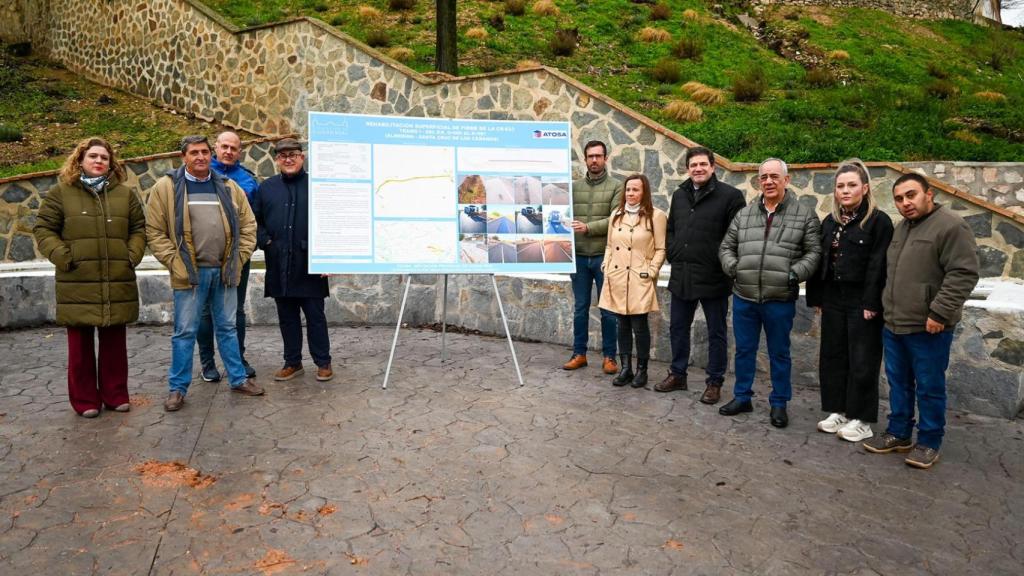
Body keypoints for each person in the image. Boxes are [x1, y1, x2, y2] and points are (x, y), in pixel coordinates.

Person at [863, 173, 979, 469]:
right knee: (898, 383)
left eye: (911, 195)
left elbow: (963, 273)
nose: (905, 203)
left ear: (929, 193)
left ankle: (929, 441)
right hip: (895, 323)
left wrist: (939, 312)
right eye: (899, 198)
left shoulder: (951, 225)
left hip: (929, 327)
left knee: (929, 387)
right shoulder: (902, 228)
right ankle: (899, 433)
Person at [146, 135, 263, 412]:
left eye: (204, 152)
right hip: (189, 274)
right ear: (183, 157)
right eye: (194, 153)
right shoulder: (167, 187)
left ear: (211, 155)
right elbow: (155, 231)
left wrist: (239, 257)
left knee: (227, 328)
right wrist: (176, 262)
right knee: (184, 331)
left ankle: (238, 378)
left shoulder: (228, 186)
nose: (200, 157)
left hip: (224, 272)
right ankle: (177, 388)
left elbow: (249, 226)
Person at [33, 137, 146, 417]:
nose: (99, 161)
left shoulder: (124, 195)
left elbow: (139, 230)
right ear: (80, 160)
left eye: (104, 158)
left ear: (111, 164)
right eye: (93, 156)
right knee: (80, 348)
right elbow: (44, 229)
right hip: (77, 280)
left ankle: (115, 395)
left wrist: (130, 257)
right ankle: (85, 401)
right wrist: (64, 257)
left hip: (115, 280)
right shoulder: (61, 193)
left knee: (114, 344)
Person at [718, 158, 821, 428]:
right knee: (744, 351)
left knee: (779, 353)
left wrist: (793, 274)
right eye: (764, 177)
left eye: (774, 176)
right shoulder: (745, 214)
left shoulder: (804, 214)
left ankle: (779, 403)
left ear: (786, 180)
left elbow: (814, 253)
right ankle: (742, 396)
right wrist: (734, 268)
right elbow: (726, 247)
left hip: (779, 299)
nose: (768, 181)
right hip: (744, 296)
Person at [806, 160, 893, 442]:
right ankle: (837, 409)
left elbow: (878, 265)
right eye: (840, 186)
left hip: (862, 302)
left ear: (865, 188)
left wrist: (871, 303)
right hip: (833, 298)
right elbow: (822, 261)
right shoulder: (830, 221)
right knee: (832, 356)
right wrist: (818, 297)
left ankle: (862, 418)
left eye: (852, 185)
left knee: (862, 359)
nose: (845, 190)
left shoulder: (878, 222)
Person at [657, 146, 745, 404]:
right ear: (688, 168)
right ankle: (678, 374)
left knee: (716, 332)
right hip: (682, 273)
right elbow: (672, 227)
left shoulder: (731, 196)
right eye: (693, 165)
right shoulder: (680, 195)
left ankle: (714, 382)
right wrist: (673, 252)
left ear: (713, 166)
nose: (698, 169)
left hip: (714, 276)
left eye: (703, 164)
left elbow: (736, 236)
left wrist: (720, 262)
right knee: (677, 328)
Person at [252, 138, 334, 382]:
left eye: (293, 155)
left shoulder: (318, 186)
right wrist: (266, 241)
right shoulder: (266, 188)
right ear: (276, 160)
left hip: (310, 263)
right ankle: (293, 362)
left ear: (302, 157)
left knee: (315, 316)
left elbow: (331, 222)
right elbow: (254, 221)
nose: (288, 159)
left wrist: (329, 257)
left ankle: (323, 361)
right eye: (282, 155)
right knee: (287, 317)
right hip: (278, 264)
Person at [197, 131, 260, 382]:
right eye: (224, 146)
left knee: (236, 310)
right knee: (204, 311)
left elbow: (253, 220)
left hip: (236, 257)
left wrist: (247, 250)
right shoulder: (199, 173)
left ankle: (238, 358)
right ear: (215, 147)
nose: (228, 151)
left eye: (234, 148)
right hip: (204, 255)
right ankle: (207, 362)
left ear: (240, 151)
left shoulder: (248, 180)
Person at [598, 174, 667, 388]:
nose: (631, 194)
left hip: (640, 277)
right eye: (628, 190)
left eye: (636, 190)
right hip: (617, 276)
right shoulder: (616, 215)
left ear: (644, 192)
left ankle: (641, 370)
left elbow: (661, 248)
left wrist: (651, 270)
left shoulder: (656, 216)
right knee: (622, 324)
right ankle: (626, 367)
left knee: (639, 325)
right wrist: (606, 266)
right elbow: (610, 245)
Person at [564, 140, 623, 374]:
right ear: (585, 159)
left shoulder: (617, 186)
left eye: (598, 156)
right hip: (577, 256)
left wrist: (588, 227)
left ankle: (610, 357)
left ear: (606, 159)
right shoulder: (573, 187)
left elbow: (615, 219)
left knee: (608, 310)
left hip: (604, 257)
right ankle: (579, 354)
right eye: (590, 156)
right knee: (580, 308)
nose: (594, 160)